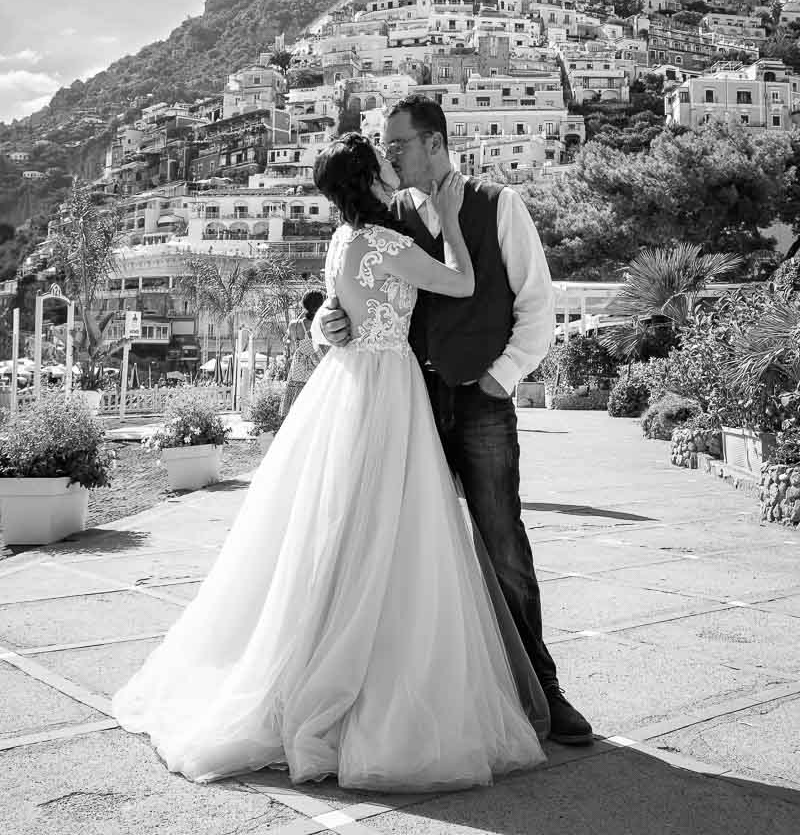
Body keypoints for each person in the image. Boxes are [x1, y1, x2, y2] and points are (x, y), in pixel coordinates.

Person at [111, 132, 547, 790]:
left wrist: (328, 326)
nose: (389, 165)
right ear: (370, 181)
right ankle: (363, 671)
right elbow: (461, 283)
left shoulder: (343, 243)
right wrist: (454, 220)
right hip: (388, 387)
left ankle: (317, 649)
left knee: (337, 525)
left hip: (347, 386)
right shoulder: (389, 243)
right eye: (380, 162)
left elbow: (338, 312)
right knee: (388, 526)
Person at [316, 96, 592, 746]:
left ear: (435, 144)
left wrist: (500, 379)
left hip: (480, 403)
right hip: (409, 407)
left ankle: (542, 687)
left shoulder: (501, 205)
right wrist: (328, 325)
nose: (390, 157)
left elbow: (536, 306)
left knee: (502, 545)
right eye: (384, 150)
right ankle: (431, 692)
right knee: (408, 548)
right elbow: (351, 288)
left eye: (399, 146)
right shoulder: (392, 217)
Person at [280, 289, 325, 416]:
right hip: (318, 365)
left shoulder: (294, 325)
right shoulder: (322, 324)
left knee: (297, 407)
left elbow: (288, 341)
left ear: (304, 304)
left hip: (299, 367)